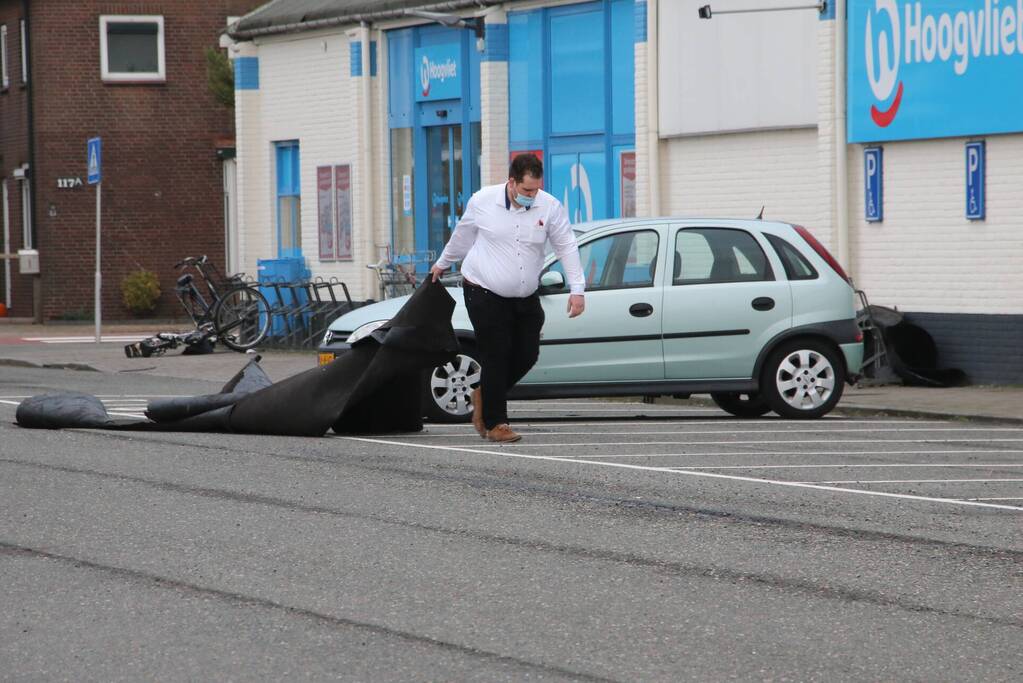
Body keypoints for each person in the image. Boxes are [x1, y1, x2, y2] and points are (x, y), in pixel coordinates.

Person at [430, 154, 585, 443]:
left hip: (525, 296)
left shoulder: (550, 206)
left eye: (536, 190)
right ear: (511, 182)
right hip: (483, 289)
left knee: (528, 354)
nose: (532, 195)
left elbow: (566, 245)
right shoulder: (483, 201)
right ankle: (496, 424)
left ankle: (485, 394)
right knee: (495, 353)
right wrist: (442, 263)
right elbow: (463, 236)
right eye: (527, 190)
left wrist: (577, 290)